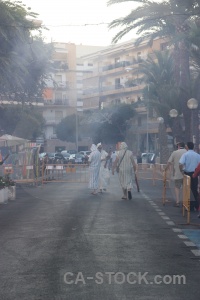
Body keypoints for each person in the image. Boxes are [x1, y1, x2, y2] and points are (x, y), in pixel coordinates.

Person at [179, 141, 200, 211]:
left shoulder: (185, 155)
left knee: (187, 190)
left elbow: (181, 164)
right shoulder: (197, 155)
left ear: (187, 147)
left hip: (187, 174)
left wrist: (181, 171)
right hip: (195, 174)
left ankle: (187, 205)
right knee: (194, 190)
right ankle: (195, 205)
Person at [165, 142, 186, 207]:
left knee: (177, 187)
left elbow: (169, 162)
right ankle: (184, 202)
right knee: (185, 187)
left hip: (178, 173)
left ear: (178, 146)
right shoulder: (187, 152)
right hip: (186, 174)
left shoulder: (175, 152)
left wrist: (165, 169)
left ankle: (177, 201)